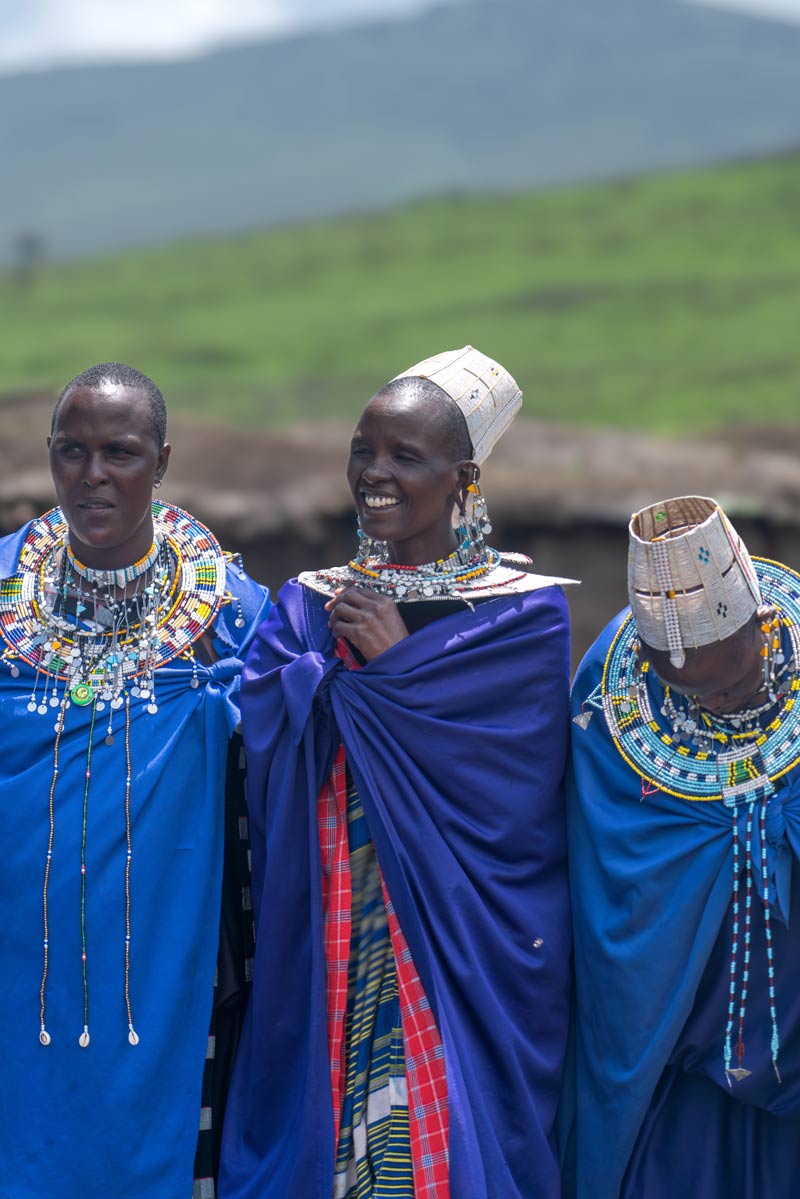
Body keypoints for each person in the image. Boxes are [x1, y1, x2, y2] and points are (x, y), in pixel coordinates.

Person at [219, 345, 575, 1199]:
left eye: (404, 457)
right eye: (362, 449)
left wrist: (397, 667)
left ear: (463, 479)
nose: (374, 474)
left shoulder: (523, 616)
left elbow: (516, 795)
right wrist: (328, 679)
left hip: (457, 936)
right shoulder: (307, 600)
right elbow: (262, 727)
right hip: (332, 920)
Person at [0, 363, 270, 1199]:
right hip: (14, 948)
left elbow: (288, 737)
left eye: (119, 452)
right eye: (71, 450)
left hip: (164, 955)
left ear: (161, 461)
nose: (92, 474)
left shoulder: (226, 609)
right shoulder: (3, 585)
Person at [565, 495, 800, 1198]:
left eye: (731, 683)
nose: (718, 705)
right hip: (677, 1046)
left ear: (763, 622)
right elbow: (609, 863)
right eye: (689, 691)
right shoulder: (608, 695)